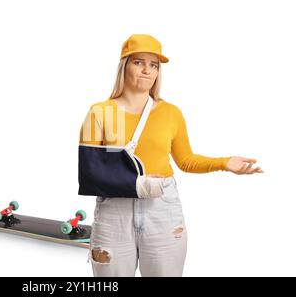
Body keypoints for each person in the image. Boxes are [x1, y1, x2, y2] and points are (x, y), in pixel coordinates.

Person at [79, 34, 264, 277]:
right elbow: (90, 174)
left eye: (153, 65)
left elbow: (185, 160)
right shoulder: (100, 112)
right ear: (124, 65)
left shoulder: (170, 113)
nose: (147, 70)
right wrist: (139, 184)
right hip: (115, 213)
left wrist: (224, 163)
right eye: (139, 62)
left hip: (162, 209)